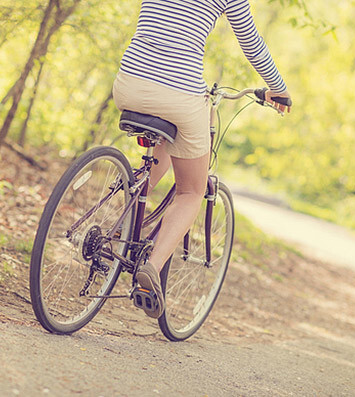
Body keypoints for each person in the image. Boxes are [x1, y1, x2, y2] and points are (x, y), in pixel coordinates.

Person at [112, 0, 291, 318]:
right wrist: (277, 87)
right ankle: (151, 269)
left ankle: (118, 224)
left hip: (129, 83)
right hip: (180, 94)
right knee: (191, 191)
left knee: (168, 141)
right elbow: (250, 40)